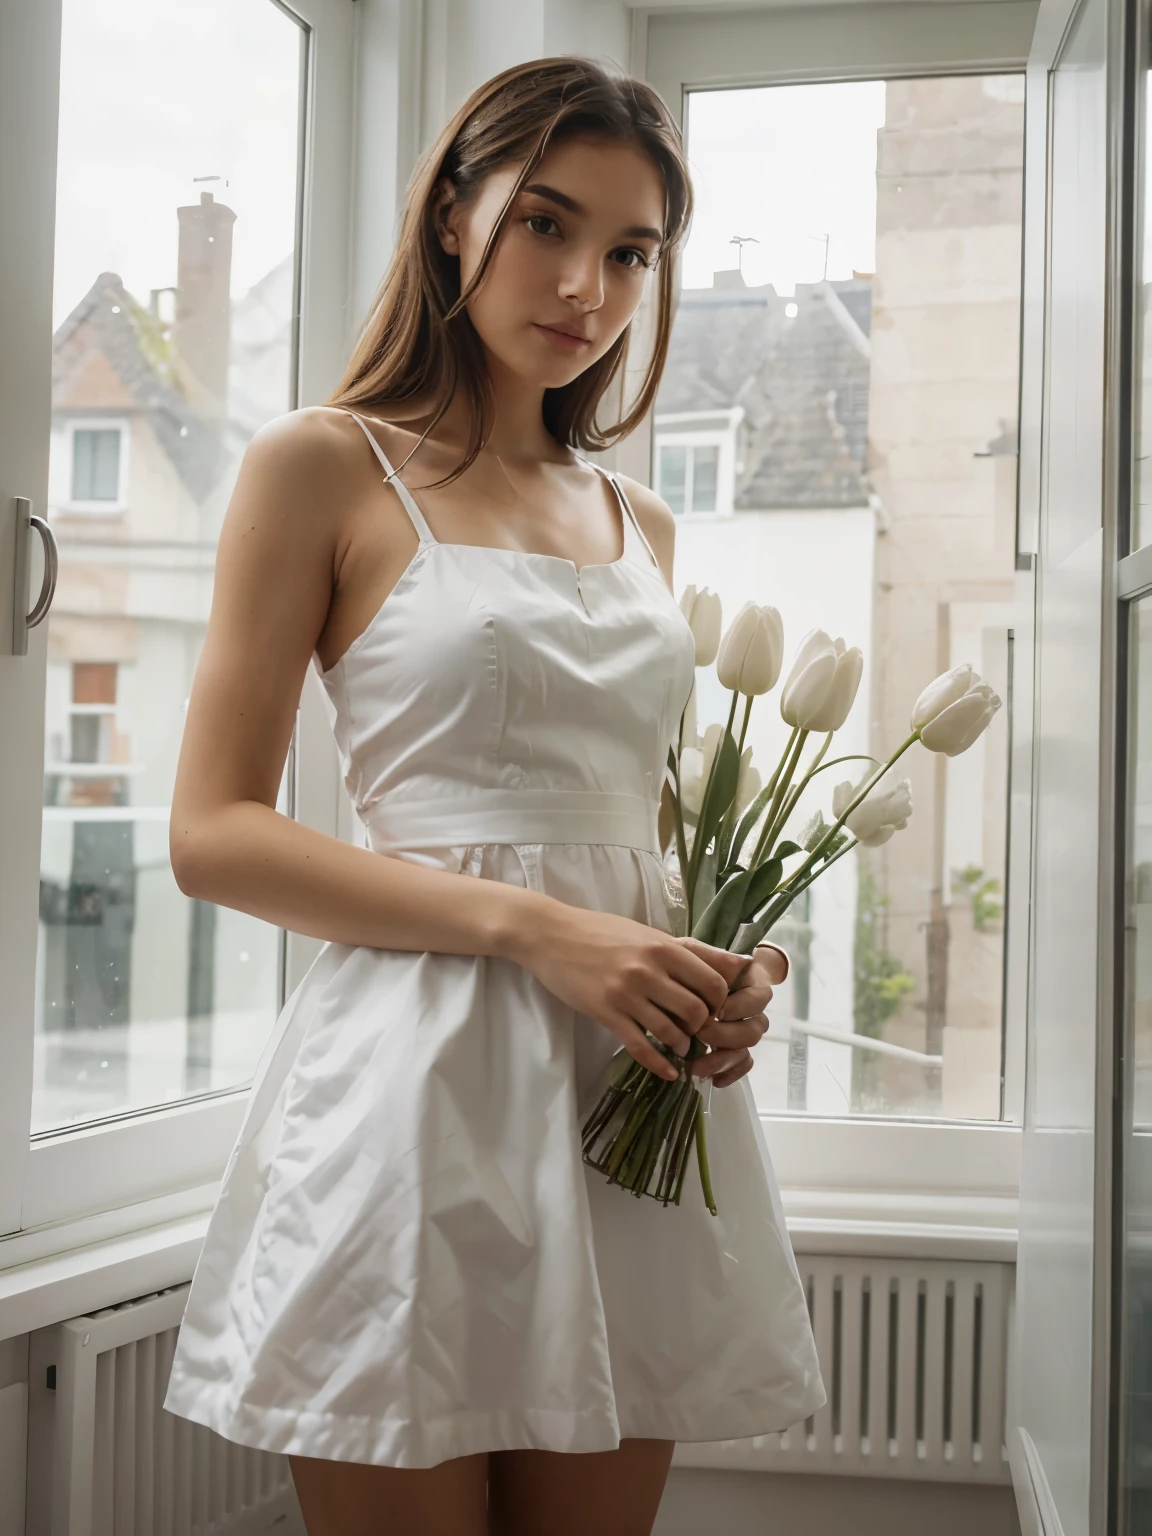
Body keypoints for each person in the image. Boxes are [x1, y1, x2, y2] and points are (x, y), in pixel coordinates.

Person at [161, 55, 822, 1536]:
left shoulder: (636, 516)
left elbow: (642, 827)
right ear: (453, 215)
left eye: (633, 251)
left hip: (630, 1099)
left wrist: (734, 963)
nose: (589, 282)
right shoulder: (324, 468)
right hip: (415, 1103)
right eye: (547, 223)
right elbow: (213, 836)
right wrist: (540, 932)